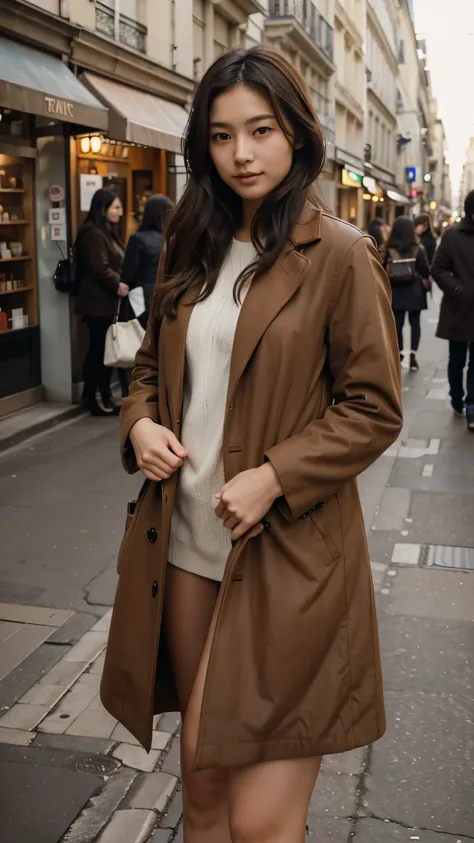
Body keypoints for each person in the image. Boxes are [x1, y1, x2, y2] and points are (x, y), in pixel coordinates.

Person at [100, 47, 403, 843]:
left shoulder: (339, 254)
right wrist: (139, 423)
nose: (241, 153)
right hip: (186, 550)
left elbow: (373, 407)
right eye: (223, 134)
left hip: (286, 559)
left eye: (261, 130)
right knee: (201, 796)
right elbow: (147, 371)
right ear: (203, 144)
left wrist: (276, 475)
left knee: (262, 822)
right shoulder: (189, 248)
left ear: (297, 135)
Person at [75, 189, 129, 416]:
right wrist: (118, 284)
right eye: (116, 207)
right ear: (103, 208)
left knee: (100, 350)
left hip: (104, 302)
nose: (120, 212)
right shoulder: (94, 234)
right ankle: (99, 398)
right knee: (99, 351)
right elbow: (100, 268)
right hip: (97, 304)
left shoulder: (107, 231)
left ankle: (93, 396)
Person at [432, 190, 474, 428]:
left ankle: (472, 407)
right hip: (458, 310)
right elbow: (437, 269)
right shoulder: (453, 236)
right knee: (456, 360)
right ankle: (457, 400)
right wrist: (458, 289)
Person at [381, 216, 431, 372]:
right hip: (415, 290)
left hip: (395, 290)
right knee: (415, 323)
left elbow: (380, 269)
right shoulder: (418, 249)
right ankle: (413, 356)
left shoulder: (388, 250)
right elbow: (425, 270)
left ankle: (399, 353)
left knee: (397, 324)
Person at [121, 194, 173, 327]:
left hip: (141, 301)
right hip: (165, 299)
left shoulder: (137, 239)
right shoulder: (170, 240)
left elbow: (128, 275)